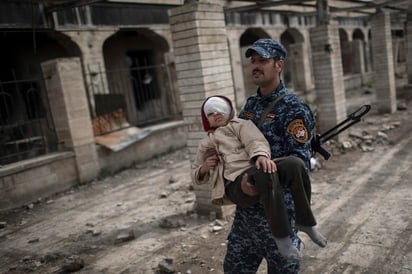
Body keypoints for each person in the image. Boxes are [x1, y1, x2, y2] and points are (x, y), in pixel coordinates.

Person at [222, 38, 320, 273]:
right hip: (245, 220)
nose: (256, 65)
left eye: (263, 60)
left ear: (279, 65)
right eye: (253, 60)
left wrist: (261, 175)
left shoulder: (294, 108)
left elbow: (300, 164)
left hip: (278, 221)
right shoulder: (250, 105)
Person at [191, 95, 327, 261]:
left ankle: (305, 221)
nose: (216, 114)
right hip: (233, 183)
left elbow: (255, 141)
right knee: (265, 173)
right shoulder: (206, 143)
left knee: (294, 164)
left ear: (229, 111)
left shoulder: (242, 125)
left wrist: (261, 156)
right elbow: (195, 174)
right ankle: (282, 237)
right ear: (207, 120)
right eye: (211, 113)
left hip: (254, 168)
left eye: (220, 110)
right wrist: (204, 167)